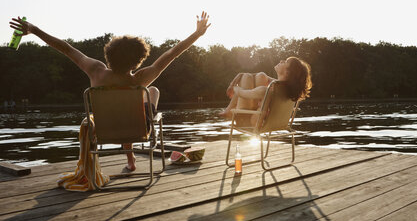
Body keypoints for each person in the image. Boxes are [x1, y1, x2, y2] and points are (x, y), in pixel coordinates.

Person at [10, 12, 211, 171]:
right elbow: (172, 54)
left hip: (103, 132)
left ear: (108, 55)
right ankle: (134, 155)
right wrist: (197, 34)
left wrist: (35, 30)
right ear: (139, 60)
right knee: (153, 91)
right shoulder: (140, 79)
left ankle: (130, 161)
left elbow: (66, 48)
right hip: (138, 130)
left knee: (123, 109)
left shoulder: (96, 71)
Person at [220, 57, 312, 126]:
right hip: (270, 123)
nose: (281, 61)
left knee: (246, 77)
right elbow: (262, 76)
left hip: (248, 123)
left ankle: (228, 111)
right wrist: (238, 76)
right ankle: (228, 110)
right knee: (260, 75)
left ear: (287, 72)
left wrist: (234, 86)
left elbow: (241, 93)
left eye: (285, 62)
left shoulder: (267, 90)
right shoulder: (285, 89)